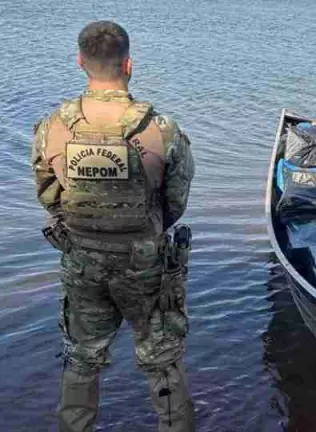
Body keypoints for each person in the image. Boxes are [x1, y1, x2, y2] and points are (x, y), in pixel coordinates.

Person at [30, 21, 195, 431]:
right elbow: (176, 201)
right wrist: (142, 229)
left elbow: (48, 194)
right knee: (162, 362)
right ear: (129, 64)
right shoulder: (162, 130)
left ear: (81, 62)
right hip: (146, 264)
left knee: (82, 359)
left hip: (82, 260)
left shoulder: (53, 127)